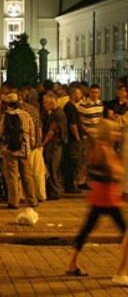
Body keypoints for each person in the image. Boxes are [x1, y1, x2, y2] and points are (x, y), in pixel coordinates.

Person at [66, 119, 126, 278]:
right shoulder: (104, 149)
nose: (117, 134)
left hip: (101, 196)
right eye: (114, 131)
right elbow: (110, 173)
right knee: (125, 231)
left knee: (87, 229)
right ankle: (122, 270)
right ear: (108, 133)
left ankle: (72, 263)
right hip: (107, 196)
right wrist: (120, 172)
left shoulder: (100, 147)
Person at [0, 92, 38, 209]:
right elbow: (32, 132)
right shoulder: (25, 115)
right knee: (27, 175)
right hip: (24, 149)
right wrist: (31, 145)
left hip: (10, 150)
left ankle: (14, 202)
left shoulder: (5, 116)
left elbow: (0, 131)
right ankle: (32, 200)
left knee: (12, 176)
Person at [20, 88, 46, 202]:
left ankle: (24, 195)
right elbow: (39, 127)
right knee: (38, 173)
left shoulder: (19, 112)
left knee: (25, 174)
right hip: (37, 145)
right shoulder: (34, 110)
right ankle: (41, 194)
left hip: (26, 146)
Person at [41, 92, 68, 200]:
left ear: (52, 101)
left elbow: (52, 131)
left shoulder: (57, 114)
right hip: (55, 143)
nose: (44, 104)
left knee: (52, 167)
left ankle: (56, 191)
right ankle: (54, 190)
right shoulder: (55, 112)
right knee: (52, 167)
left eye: (45, 102)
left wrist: (43, 143)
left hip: (54, 144)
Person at [63, 86, 85, 193]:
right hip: (73, 140)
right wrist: (77, 138)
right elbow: (72, 124)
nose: (81, 96)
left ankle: (70, 184)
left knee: (72, 162)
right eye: (79, 93)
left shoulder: (71, 106)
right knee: (74, 161)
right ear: (73, 94)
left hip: (72, 139)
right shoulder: (70, 107)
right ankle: (71, 184)